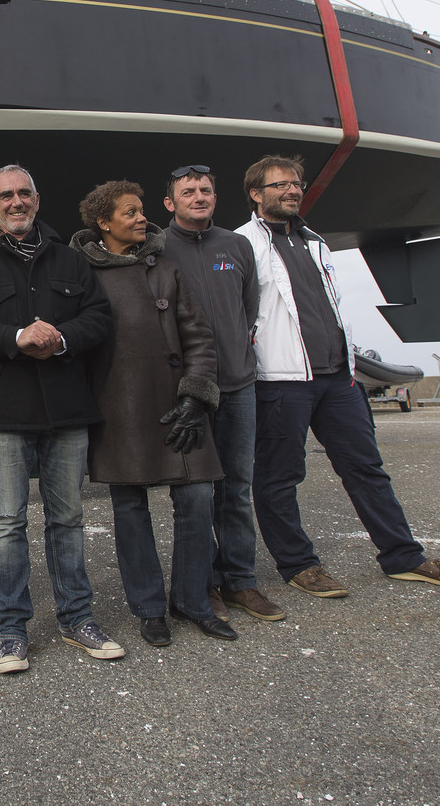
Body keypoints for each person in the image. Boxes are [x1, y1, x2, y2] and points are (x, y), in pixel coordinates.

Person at [237, 155, 440, 598]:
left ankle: (403, 556)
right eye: (280, 185)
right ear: (256, 193)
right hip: (281, 379)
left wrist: (349, 367)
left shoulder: (315, 241)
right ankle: (298, 564)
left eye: (296, 184)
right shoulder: (241, 244)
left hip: (338, 379)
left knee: (366, 468)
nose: (292, 191)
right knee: (278, 477)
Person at [0, 164, 121, 673]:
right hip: (3, 413)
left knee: (67, 519)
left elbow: (98, 318)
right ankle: (12, 629)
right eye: (6, 195)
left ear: (38, 200)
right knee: (7, 523)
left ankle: (76, 618)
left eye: (24, 194)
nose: (16, 202)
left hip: (66, 410)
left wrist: (61, 339)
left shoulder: (70, 260)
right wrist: (17, 339)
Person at [71, 181, 236, 648]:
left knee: (198, 498)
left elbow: (200, 337)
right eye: (131, 212)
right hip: (117, 406)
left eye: (142, 211)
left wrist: (195, 397)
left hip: (177, 405)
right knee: (129, 507)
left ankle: (192, 601)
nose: (143, 219)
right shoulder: (83, 274)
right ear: (104, 223)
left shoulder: (168, 270)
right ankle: (147, 609)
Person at [162, 164, 285, 624]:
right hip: (189, 392)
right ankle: (201, 585)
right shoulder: (158, 248)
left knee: (236, 489)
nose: (199, 197)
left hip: (238, 385)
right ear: (170, 204)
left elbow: (247, 308)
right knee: (194, 493)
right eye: (188, 192)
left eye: (206, 191)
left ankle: (240, 581)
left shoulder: (237, 246)